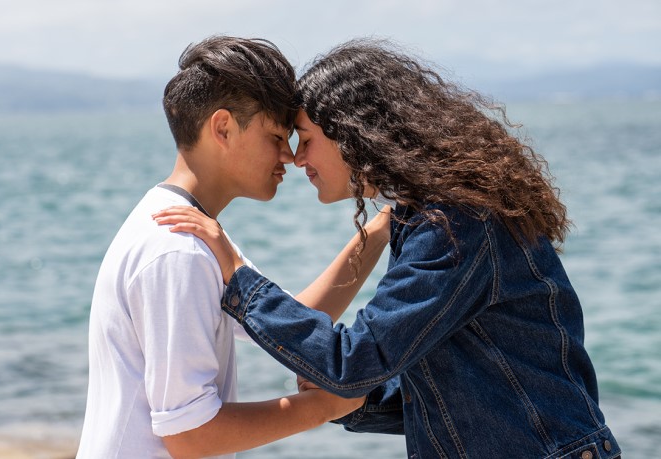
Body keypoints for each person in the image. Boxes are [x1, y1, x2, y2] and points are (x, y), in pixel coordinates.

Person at [154, 39, 622, 458]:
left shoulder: (459, 224)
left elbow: (357, 360)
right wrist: (347, 400)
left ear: (354, 137)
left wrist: (238, 275)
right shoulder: (435, 219)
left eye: (307, 140)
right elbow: (454, 385)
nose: (298, 159)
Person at [76, 36, 387, 459]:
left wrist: (381, 229)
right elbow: (190, 436)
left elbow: (286, 322)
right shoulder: (177, 248)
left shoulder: (193, 231)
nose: (290, 157)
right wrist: (330, 403)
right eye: (277, 136)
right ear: (222, 127)